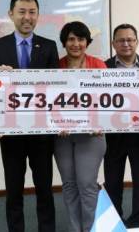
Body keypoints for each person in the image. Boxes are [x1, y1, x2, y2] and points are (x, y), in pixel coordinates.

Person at [0, 0, 59, 232]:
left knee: (44, 190)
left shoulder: (48, 47)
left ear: (38, 15)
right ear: (11, 14)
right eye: (22, 12)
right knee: (14, 190)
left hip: (41, 134)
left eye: (32, 12)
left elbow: (55, 90)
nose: (27, 17)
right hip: (11, 134)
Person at [54, 21, 107, 232]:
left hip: (92, 136)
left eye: (81, 39)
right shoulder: (55, 66)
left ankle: (91, 228)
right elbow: (49, 102)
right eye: (71, 39)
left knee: (86, 184)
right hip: (63, 136)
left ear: (87, 42)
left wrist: (99, 122)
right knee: (69, 184)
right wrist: (56, 122)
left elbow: (108, 100)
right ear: (64, 42)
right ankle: (76, 229)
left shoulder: (98, 65)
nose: (76, 44)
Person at [104, 23, 139, 228]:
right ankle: (115, 218)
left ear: (137, 42)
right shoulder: (103, 66)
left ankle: (137, 220)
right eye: (121, 40)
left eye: (130, 39)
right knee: (113, 180)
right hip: (113, 135)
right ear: (113, 43)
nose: (126, 44)